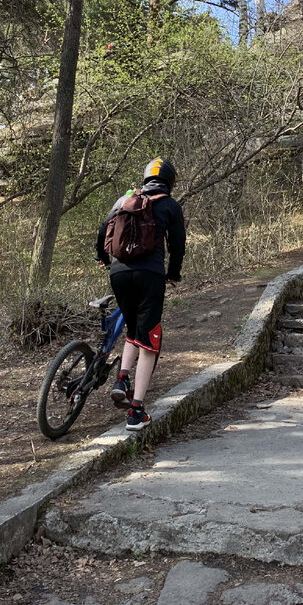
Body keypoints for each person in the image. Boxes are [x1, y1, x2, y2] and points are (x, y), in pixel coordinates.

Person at [94, 157, 186, 431]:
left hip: (119, 274)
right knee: (150, 340)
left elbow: (103, 230)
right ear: (169, 180)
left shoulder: (125, 199)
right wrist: (173, 273)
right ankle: (136, 411)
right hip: (150, 275)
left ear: (146, 178)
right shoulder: (170, 205)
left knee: (133, 329)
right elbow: (178, 244)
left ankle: (122, 378)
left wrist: (102, 257)